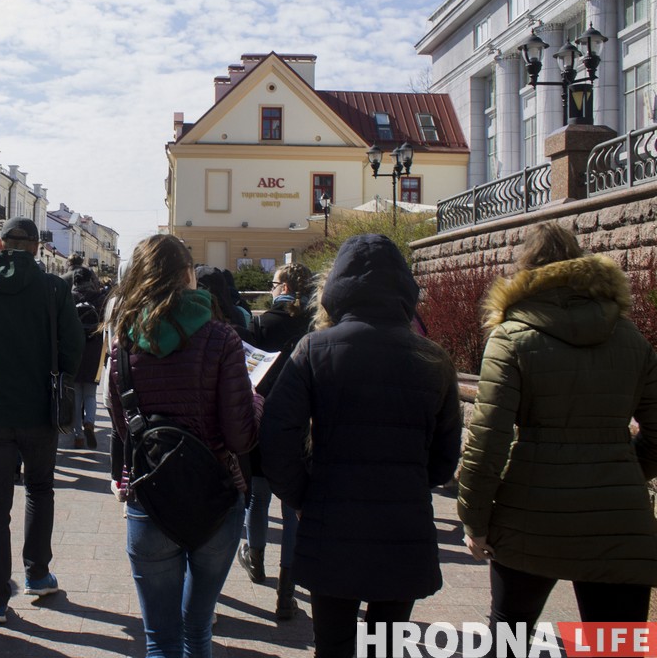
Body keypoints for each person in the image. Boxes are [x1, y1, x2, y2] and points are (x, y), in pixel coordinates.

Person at [261, 234, 461, 658]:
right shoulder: (433, 358)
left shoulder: (314, 350)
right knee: (385, 646)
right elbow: (445, 458)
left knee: (332, 645)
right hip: (403, 524)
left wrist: (301, 496)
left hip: (331, 519)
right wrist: (409, 483)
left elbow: (277, 437)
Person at [459, 223, 657, 634]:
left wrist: (475, 521)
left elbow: (487, 441)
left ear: (525, 270)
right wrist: (622, 471)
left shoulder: (511, 337)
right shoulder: (630, 337)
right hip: (618, 519)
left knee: (509, 635)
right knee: (615, 644)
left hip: (530, 514)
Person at [106, 234, 259, 658]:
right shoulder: (221, 339)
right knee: (197, 630)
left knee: (160, 637)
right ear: (189, 274)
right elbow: (241, 436)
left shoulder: (124, 345)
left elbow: (124, 429)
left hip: (149, 500)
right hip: (216, 495)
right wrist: (256, 403)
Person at [0, 216, 83, 624]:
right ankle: (38, 574)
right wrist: (59, 381)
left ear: (1, 245)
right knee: (40, 491)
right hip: (41, 412)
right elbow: (74, 346)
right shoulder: (55, 289)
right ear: (38, 247)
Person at [238, 262, 313, 621]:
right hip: (300, 426)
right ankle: (287, 591)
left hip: (262, 421)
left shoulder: (261, 324)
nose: (270, 289)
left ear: (283, 287)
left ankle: (255, 560)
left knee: (258, 494)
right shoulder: (317, 326)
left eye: (272, 283)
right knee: (293, 504)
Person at [69, 266, 108, 449]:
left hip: (74, 348)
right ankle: (90, 422)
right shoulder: (100, 298)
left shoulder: (69, 298)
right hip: (94, 348)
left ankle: (77, 436)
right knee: (90, 394)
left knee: (76, 393)